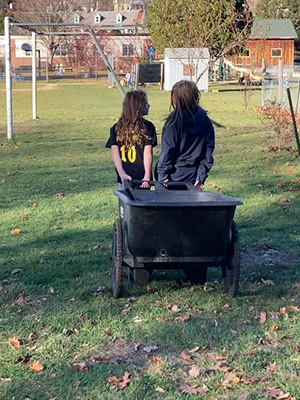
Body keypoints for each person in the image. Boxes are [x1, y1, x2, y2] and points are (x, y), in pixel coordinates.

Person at [157, 80, 215, 190]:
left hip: (172, 177)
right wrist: (201, 176)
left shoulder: (173, 123)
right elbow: (208, 152)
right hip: (193, 176)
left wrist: (162, 176)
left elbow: (167, 152)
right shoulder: (205, 120)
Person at [106, 90, 157, 189]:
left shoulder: (148, 127)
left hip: (142, 180)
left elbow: (148, 153)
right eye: (146, 103)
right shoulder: (116, 129)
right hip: (125, 179)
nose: (149, 106)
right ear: (138, 107)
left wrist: (147, 176)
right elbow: (116, 154)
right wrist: (122, 174)